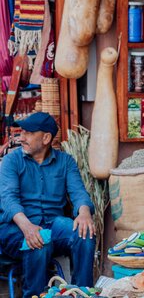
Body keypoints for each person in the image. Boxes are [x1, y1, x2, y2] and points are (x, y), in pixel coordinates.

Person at [0, 112, 96, 297]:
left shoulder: (65, 162)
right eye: (21, 132)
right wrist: (27, 227)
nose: (21, 138)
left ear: (46, 138)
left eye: (28, 133)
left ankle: (83, 292)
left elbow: (79, 193)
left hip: (53, 225)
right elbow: (8, 199)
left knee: (85, 232)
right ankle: (34, 295)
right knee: (38, 241)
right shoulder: (12, 161)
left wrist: (84, 213)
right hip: (16, 228)